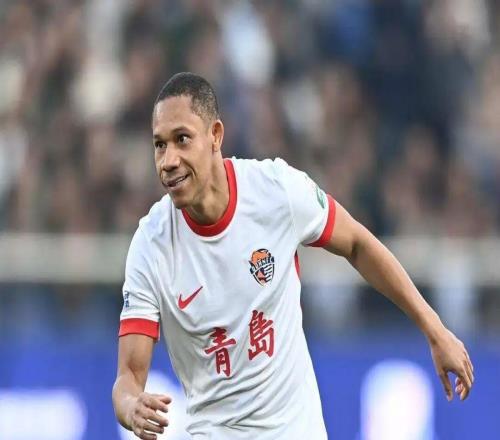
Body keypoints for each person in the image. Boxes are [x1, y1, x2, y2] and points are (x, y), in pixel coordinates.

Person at [112, 72, 474, 440]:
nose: (168, 160)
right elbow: (129, 377)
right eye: (159, 145)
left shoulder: (275, 190)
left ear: (215, 135)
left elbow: (357, 243)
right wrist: (131, 406)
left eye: (182, 140)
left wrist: (434, 329)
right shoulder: (151, 245)